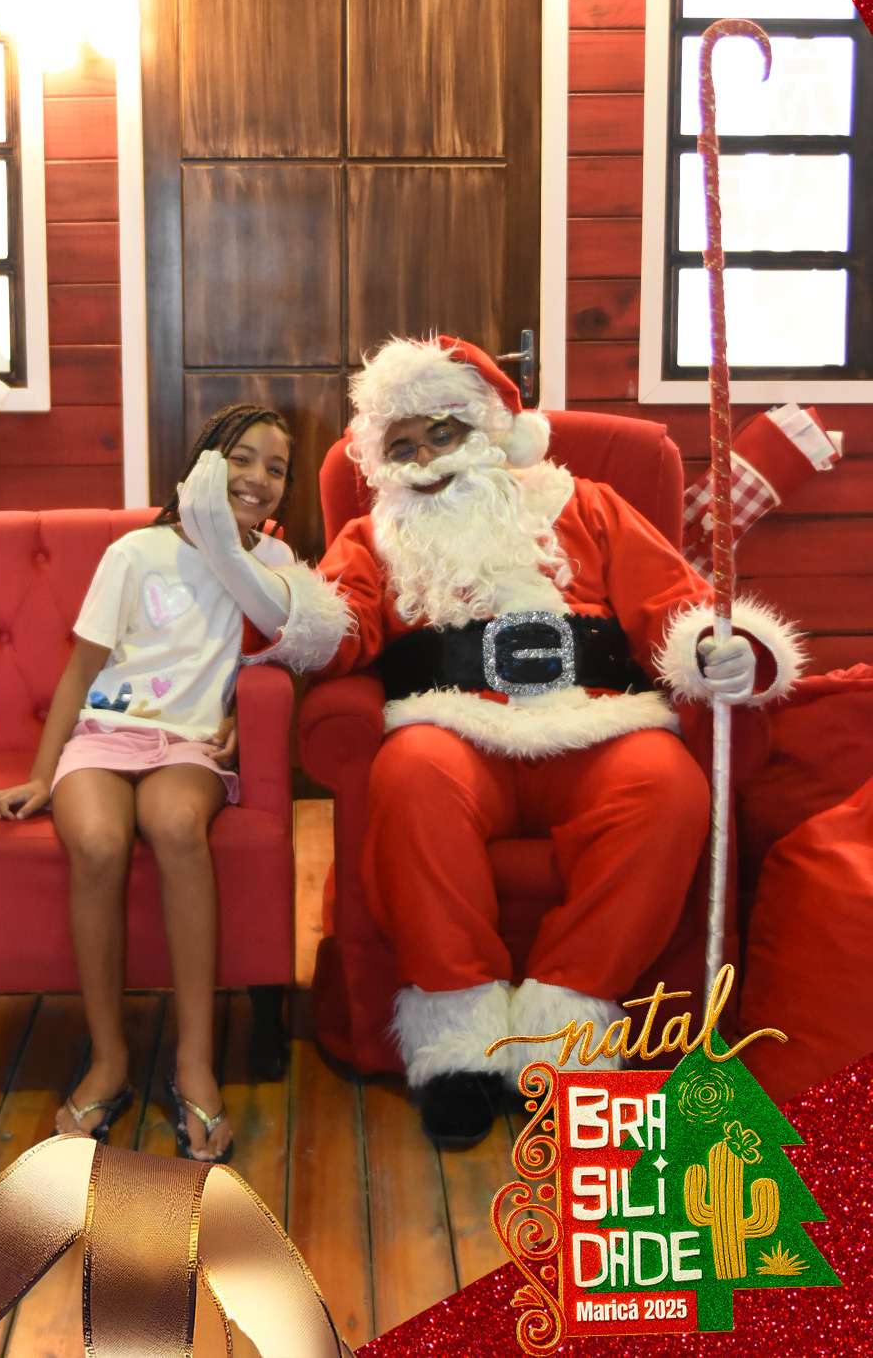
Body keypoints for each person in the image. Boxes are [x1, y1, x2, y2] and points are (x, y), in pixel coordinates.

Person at [247, 337, 803, 1149]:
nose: (426, 459)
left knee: (668, 786)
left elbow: (676, 605)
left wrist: (723, 650)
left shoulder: (588, 504)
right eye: (402, 446)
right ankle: (460, 1044)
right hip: (451, 728)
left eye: (441, 433)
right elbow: (340, 632)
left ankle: (564, 1025)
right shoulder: (374, 535)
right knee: (410, 776)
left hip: (599, 724)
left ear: (489, 429)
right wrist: (284, 601)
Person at [0, 404, 349, 1160]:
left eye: (276, 469)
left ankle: (194, 1063)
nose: (258, 478)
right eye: (241, 458)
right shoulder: (136, 553)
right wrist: (42, 774)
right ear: (204, 465)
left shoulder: (274, 561)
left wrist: (247, 717)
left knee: (178, 825)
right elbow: (81, 670)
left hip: (189, 744)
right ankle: (109, 1059)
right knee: (97, 841)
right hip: (104, 734)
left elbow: (291, 654)